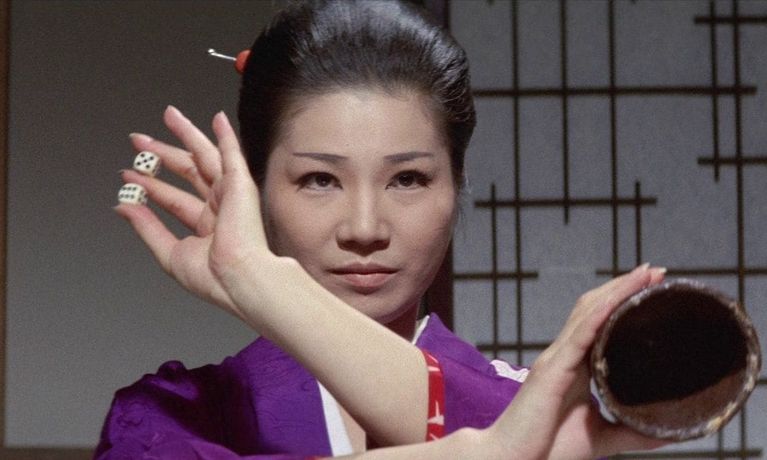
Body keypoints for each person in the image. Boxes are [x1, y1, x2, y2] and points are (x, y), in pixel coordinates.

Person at [97, 1, 667, 458]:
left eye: (408, 179)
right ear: (255, 187)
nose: (364, 228)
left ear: (458, 184)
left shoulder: (533, 411)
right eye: (320, 179)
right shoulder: (163, 419)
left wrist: (262, 284)